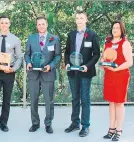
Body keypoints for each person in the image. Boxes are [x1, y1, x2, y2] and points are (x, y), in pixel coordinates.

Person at [64, 9, 100, 137]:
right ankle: (75, 123)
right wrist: (67, 63)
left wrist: (87, 66)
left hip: (85, 72)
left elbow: (96, 54)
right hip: (73, 72)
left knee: (85, 99)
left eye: (81, 18)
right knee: (74, 98)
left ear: (86, 19)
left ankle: (85, 126)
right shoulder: (71, 34)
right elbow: (67, 52)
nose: (79, 20)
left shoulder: (92, 35)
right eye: (77, 18)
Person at [24, 16, 61, 134]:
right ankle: (35, 123)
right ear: (36, 26)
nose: (41, 26)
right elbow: (27, 54)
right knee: (33, 99)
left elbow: (58, 56)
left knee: (48, 100)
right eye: (39, 24)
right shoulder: (31, 38)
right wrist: (28, 62)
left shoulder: (54, 39)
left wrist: (50, 65)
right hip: (33, 74)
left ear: (47, 25)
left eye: (43, 24)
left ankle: (48, 123)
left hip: (48, 74)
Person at [102, 20, 133, 141]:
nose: (115, 30)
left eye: (118, 28)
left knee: (119, 103)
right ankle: (111, 128)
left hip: (121, 76)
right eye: (114, 28)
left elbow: (129, 62)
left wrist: (116, 69)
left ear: (122, 30)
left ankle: (119, 130)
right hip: (109, 75)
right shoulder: (108, 43)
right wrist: (103, 64)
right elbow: (104, 57)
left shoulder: (125, 43)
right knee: (111, 102)